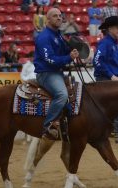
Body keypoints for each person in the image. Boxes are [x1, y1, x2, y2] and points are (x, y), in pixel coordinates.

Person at [34, 8, 79, 140]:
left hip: (56, 72)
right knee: (62, 94)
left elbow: (65, 50)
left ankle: (67, 123)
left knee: (76, 89)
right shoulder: (44, 37)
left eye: (60, 16)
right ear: (47, 19)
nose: (59, 18)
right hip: (46, 73)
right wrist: (69, 58)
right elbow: (50, 59)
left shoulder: (58, 35)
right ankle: (47, 126)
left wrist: (75, 48)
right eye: (55, 16)